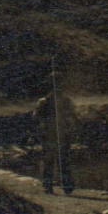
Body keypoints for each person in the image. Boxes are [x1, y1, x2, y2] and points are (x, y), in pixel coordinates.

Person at [32, 66, 77, 195]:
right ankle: (66, 186)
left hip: (50, 133)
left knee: (49, 160)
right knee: (63, 160)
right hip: (60, 133)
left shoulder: (44, 101)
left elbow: (36, 117)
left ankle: (48, 185)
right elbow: (73, 117)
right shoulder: (66, 100)